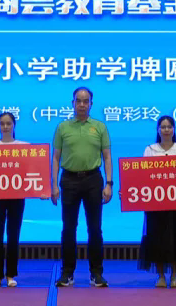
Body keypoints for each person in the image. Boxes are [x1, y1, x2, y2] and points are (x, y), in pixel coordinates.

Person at [51, 87, 113, 287]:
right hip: (69, 180)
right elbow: (56, 157)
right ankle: (67, 273)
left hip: (93, 180)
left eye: (86, 101)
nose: (82, 104)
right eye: (78, 101)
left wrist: (109, 183)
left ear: (91, 104)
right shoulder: (63, 127)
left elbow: (107, 157)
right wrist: (53, 184)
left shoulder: (100, 127)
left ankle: (96, 274)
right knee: (69, 229)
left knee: (95, 229)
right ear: (73, 103)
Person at [138, 115, 176, 288]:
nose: (166, 130)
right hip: (155, 204)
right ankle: (161, 276)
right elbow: (141, 177)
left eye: (169, 127)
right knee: (157, 238)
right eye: (162, 127)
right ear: (158, 130)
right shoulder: (150, 150)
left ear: (174, 129)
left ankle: (175, 276)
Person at [0, 112, 28, 287]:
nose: (5, 127)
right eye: (2, 123)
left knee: (13, 235)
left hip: (17, 197)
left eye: (8, 123)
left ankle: (11, 275)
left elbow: (32, 172)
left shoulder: (25, 147)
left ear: (14, 125)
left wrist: (41, 191)